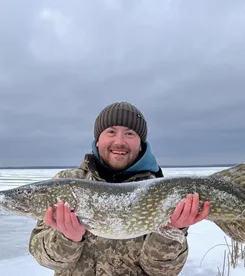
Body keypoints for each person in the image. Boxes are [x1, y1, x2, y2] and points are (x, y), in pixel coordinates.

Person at [29, 101, 210, 276]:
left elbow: (162, 272)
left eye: (130, 133)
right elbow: (43, 257)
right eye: (111, 131)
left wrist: (170, 232)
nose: (119, 141)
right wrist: (68, 239)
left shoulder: (160, 192)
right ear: (97, 140)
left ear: (141, 145)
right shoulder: (66, 183)